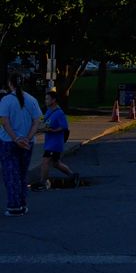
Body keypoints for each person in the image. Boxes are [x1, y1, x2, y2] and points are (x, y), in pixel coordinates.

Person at [0, 73, 42, 216]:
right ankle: (23, 203)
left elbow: (5, 122)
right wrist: (27, 138)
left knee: (11, 174)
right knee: (23, 173)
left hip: (8, 142)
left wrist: (16, 138)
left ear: (10, 84)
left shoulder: (6, 100)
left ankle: (14, 206)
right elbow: (36, 121)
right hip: (28, 142)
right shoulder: (32, 100)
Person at [31, 89, 79, 191]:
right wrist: (38, 129)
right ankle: (72, 175)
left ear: (54, 100)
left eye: (48, 99)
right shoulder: (49, 111)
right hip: (49, 142)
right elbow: (45, 124)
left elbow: (64, 127)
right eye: (45, 99)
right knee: (56, 163)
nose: (46, 101)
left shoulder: (59, 113)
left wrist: (53, 130)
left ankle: (43, 182)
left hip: (55, 143)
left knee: (45, 161)